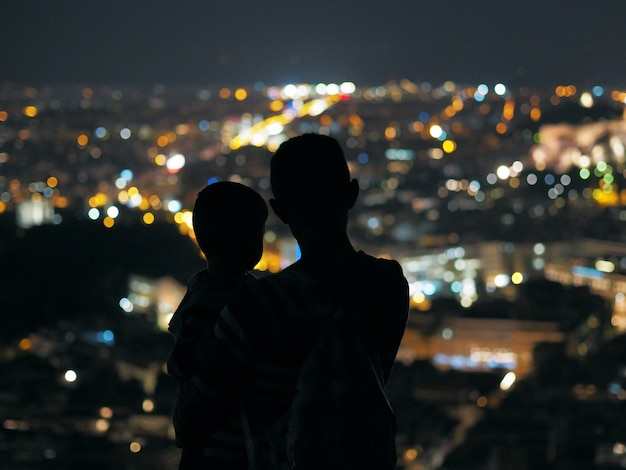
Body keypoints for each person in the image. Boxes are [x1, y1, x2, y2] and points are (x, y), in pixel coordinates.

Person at [176, 133, 409, 468]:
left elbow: (193, 413)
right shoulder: (389, 285)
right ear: (352, 194)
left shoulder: (257, 304)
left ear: (280, 211)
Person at [166, 181, 268, 469]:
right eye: (259, 235)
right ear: (246, 241)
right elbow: (182, 361)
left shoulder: (201, 287)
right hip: (213, 432)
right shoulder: (225, 297)